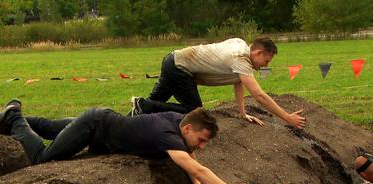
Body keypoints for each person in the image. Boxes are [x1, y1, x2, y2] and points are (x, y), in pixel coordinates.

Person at [0, 100, 254, 184]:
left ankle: (6, 118)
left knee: (52, 128)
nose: (201, 147)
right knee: (43, 159)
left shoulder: (179, 123)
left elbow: (191, 162)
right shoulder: (168, 135)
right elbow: (194, 163)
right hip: (96, 127)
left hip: (104, 127)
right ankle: (13, 116)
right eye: (202, 140)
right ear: (188, 129)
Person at [130, 37, 306, 129]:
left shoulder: (240, 44)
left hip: (174, 60)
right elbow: (259, 95)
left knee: (150, 107)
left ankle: (127, 120)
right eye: (266, 61)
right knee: (195, 112)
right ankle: (143, 105)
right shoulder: (241, 60)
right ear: (258, 52)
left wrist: (242, 113)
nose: (265, 66)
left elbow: (238, 82)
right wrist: (287, 118)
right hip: (180, 68)